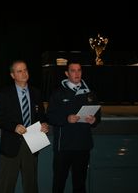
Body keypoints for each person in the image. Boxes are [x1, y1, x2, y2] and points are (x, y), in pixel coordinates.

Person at [0, 60, 49, 193]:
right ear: (12, 75)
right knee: (6, 186)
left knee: (31, 185)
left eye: (25, 70)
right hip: (11, 144)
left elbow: (41, 116)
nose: (24, 73)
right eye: (19, 71)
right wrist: (14, 127)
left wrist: (44, 124)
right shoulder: (4, 93)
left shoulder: (36, 93)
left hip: (33, 142)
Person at [47, 60, 101, 193]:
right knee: (59, 184)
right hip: (64, 147)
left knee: (80, 185)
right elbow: (50, 116)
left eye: (79, 70)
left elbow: (98, 116)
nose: (77, 73)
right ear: (67, 73)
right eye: (73, 70)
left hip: (83, 146)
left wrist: (94, 120)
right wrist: (66, 119)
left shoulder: (90, 93)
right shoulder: (58, 93)